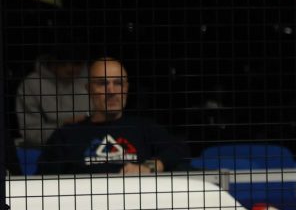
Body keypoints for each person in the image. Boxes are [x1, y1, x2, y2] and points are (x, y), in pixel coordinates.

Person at [38, 58, 187, 175]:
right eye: (103, 83)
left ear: (126, 88)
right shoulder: (66, 135)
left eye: (118, 83)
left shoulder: (145, 128)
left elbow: (178, 151)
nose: (112, 90)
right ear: (89, 89)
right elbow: (44, 181)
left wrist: (149, 167)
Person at [16, 48, 91, 148]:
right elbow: (30, 132)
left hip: (91, 142)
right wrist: (64, 127)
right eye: (62, 63)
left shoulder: (93, 79)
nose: (70, 68)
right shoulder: (31, 84)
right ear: (50, 61)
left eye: (77, 63)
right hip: (49, 148)